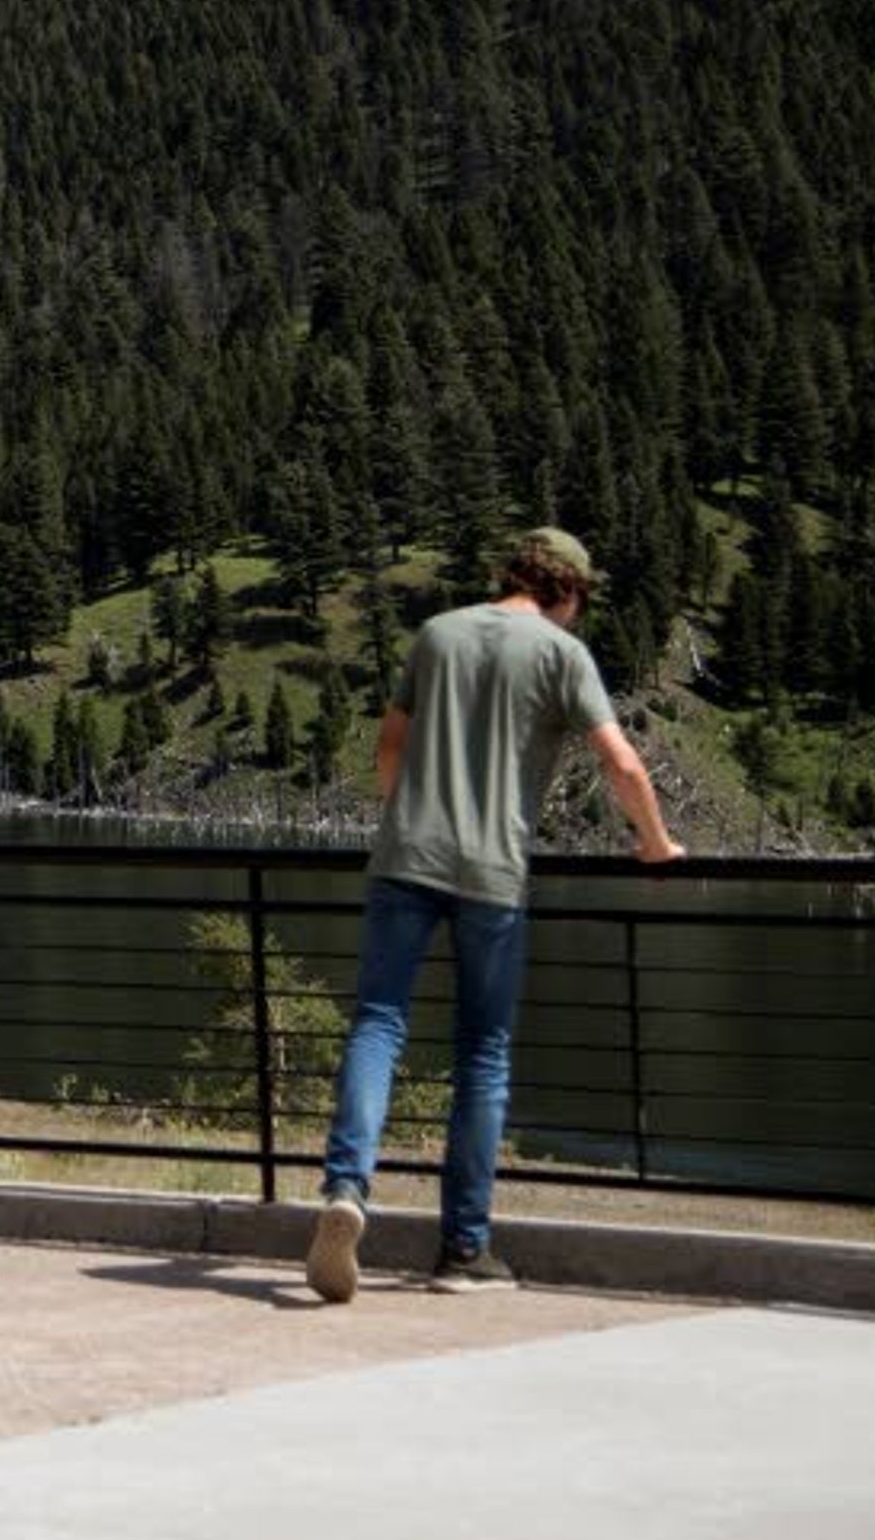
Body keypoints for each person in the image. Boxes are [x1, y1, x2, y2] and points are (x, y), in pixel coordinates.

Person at [306, 525, 685, 1302]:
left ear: (510, 572)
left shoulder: (438, 633)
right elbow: (623, 761)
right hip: (492, 873)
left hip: (404, 857)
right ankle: (464, 1249)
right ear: (568, 590)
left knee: (378, 1022)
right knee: (483, 1053)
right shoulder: (558, 651)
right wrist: (656, 844)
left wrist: (409, 813)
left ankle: (346, 1189)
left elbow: (388, 748)